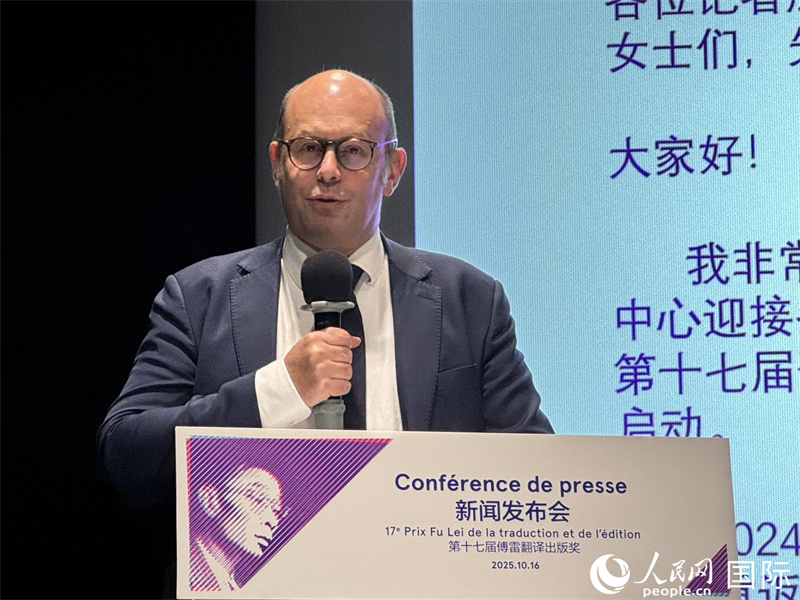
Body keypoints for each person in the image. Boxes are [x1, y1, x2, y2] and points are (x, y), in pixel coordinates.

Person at [97, 68, 553, 514]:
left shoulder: (469, 299)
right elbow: (127, 457)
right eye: (308, 149)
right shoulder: (198, 297)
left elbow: (537, 472)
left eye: (353, 150)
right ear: (277, 163)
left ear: (392, 170)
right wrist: (278, 389)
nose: (329, 171)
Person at [190, 464, 283, 591]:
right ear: (210, 500)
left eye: (276, 511)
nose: (272, 521)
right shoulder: (186, 571)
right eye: (257, 499)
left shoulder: (235, 586)